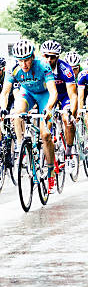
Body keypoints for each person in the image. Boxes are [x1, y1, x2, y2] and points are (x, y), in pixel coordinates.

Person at [0, 39, 58, 193]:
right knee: (17, 112)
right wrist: (2, 108)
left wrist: (49, 108)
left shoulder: (43, 65)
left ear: (33, 56)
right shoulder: (12, 67)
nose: (24, 64)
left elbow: (53, 92)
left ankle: (51, 171)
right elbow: (5, 92)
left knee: (45, 135)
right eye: (20, 61)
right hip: (28, 94)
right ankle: (21, 147)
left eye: (27, 60)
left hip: (45, 96)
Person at [41, 40, 78, 169]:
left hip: (64, 96)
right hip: (49, 96)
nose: (49, 59)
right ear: (42, 55)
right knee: (46, 122)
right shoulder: (38, 67)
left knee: (67, 119)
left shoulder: (65, 69)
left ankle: (68, 152)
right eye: (46, 56)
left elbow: (73, 95)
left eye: (53, 56)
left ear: (58, 57)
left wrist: (72, 114)